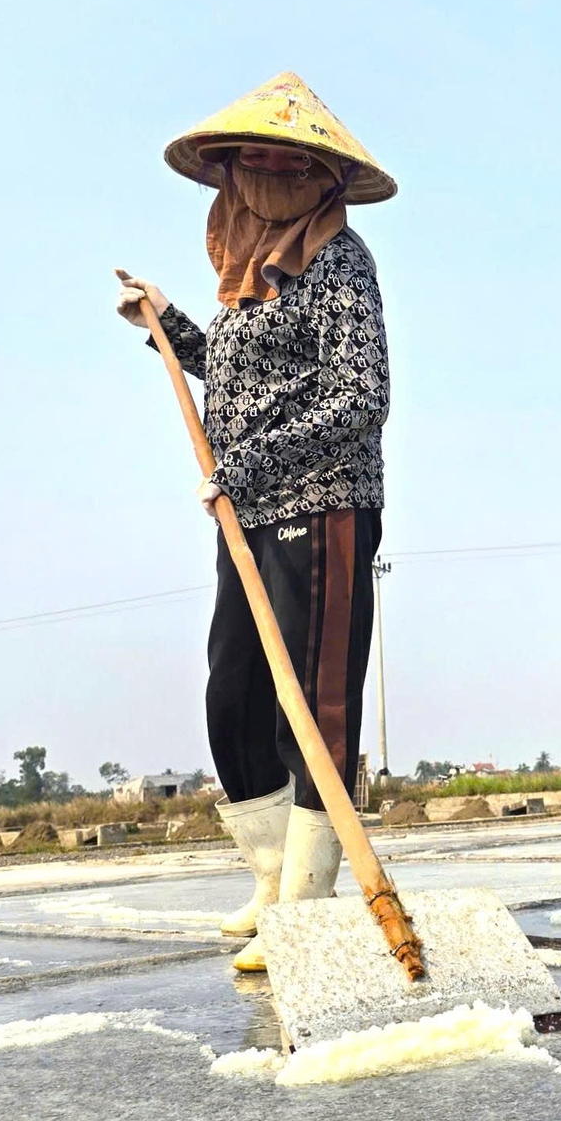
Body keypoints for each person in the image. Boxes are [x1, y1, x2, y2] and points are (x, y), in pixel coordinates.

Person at [117, 73, 395, 973]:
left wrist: (247, 465)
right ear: (231, 173)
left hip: (322, 504)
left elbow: (361, 396)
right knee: (233, 695)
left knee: (309, 708)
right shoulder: (246, 273)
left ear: (323, 177)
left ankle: (308, 909)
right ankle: (274, 877)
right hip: (246, 509)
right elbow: (238, 383)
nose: (273, 171)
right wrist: (168, 328)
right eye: (257, 157)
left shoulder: (339, 263)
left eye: (291, 159)